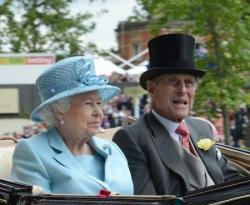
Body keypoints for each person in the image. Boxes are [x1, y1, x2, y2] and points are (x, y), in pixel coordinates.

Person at [113, 34, 244, 196]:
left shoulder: (201, 128)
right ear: (152, 89)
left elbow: (230, 176)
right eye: (173, 82)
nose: (183, 90)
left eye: (189, 83)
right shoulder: (132, 138)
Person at [11, 56, 133, 195]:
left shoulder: (112, 149)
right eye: (88, 103)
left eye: (99, 103)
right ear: (59, 111)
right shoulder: (32, 151)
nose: (98, 113)